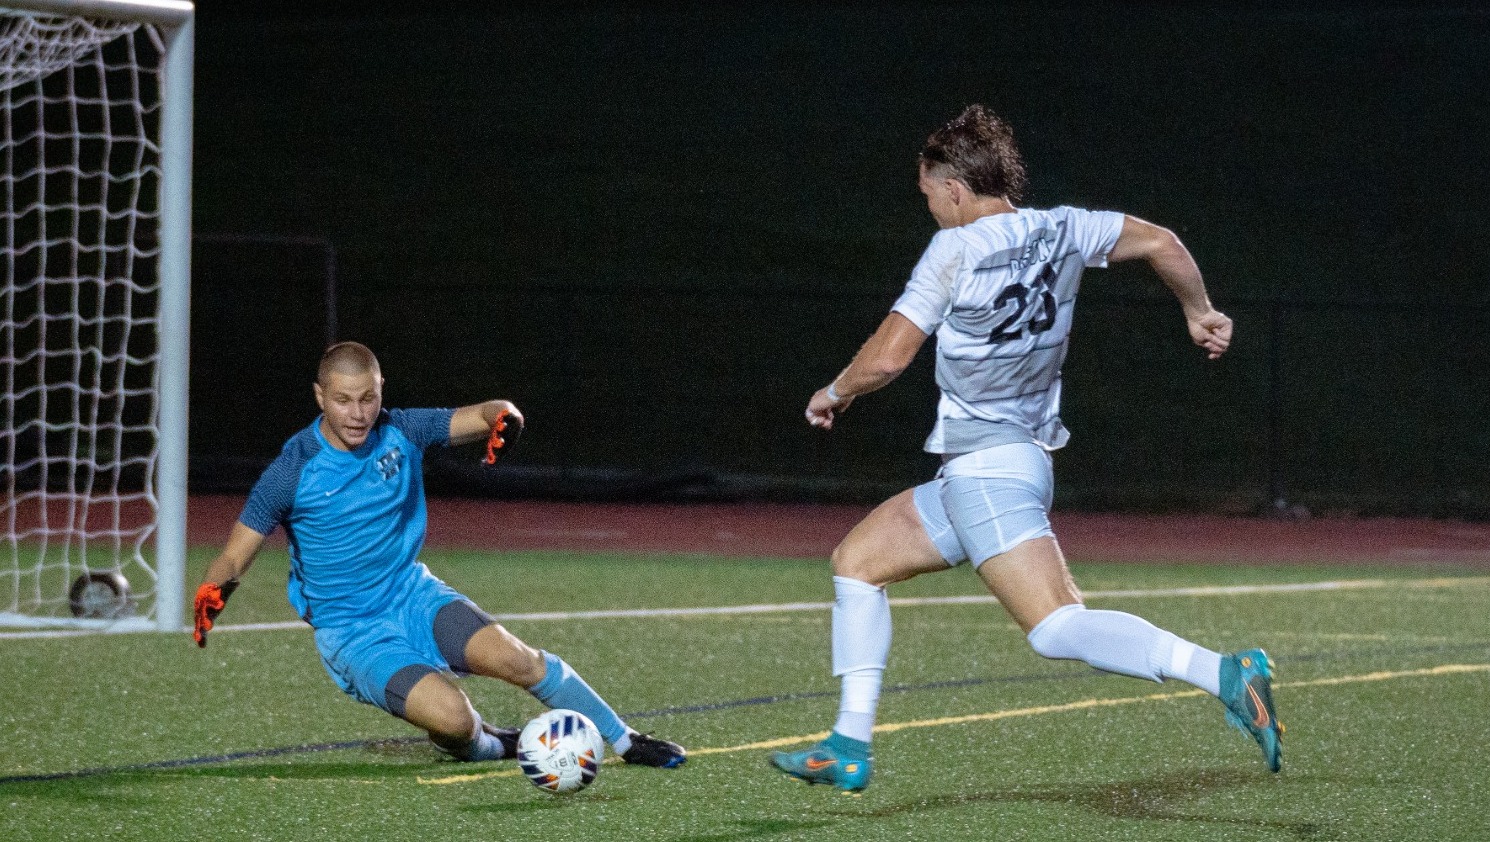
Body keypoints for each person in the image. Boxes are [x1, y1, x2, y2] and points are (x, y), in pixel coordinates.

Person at [770, 105, 1282, 793]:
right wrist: (1198, 310)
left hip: (986, 472)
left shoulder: (954, 249)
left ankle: (1220, 671)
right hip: (1001, 467)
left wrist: (834, 392)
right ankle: (848, 744)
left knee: (1054, 627)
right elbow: (1162, 243)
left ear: (954, 190)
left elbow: (890, 357)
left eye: (928, 196)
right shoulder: (1064, 226)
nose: (929, 209)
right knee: (857, 563)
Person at [193, 341, 686, 769]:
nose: (358, 413)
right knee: (454, 720)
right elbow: (236, 555)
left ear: (381, 389)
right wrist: (213, 592)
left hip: (414, 595)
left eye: (368, 398)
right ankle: (492, 745)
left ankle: (624, 738)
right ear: (320, 396)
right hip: (353, 633)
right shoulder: (292, 470)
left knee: (518, 661)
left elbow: (487, 411)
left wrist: (505, 419)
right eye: (343, 400)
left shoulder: (402, 430)